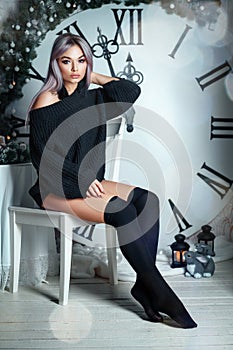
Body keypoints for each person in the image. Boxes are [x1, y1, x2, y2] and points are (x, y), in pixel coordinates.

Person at [28, 33, 197, 328]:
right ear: (55, 64)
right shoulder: (46, 99)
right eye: (66, 61)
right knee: (122, 211)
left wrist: (96, 76)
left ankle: (144, 285)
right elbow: (42, 158)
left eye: (81, 61)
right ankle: (159, 291)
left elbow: (131, 90)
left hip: (89, 182)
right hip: (53, 186)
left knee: (148, 201)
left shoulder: (94, 97)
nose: (75, 69)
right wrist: (80, 180)